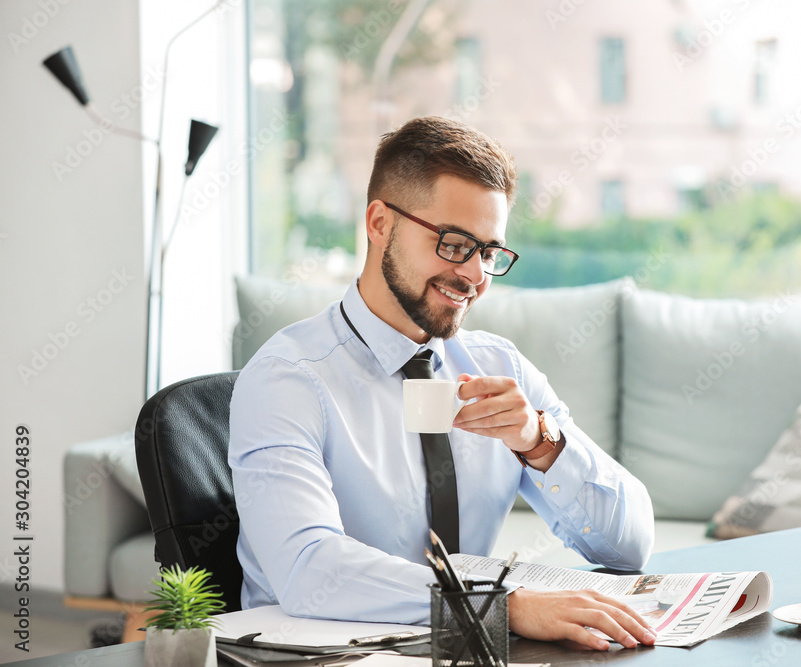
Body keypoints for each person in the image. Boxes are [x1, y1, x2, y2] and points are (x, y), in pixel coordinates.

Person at [229, 116, 657, 651]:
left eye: (489, 251)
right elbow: (308, 571)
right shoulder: (287, 380)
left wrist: (541, 444)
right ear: (380, 223)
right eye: (455, 244)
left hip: (464, 653)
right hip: (323, 657)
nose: (476, 275)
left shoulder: (498, 367)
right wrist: (500, 606)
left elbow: (631, 546)